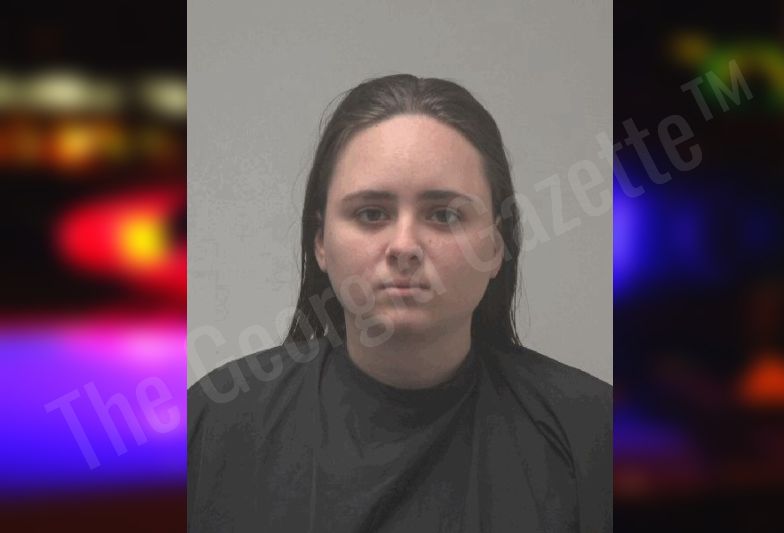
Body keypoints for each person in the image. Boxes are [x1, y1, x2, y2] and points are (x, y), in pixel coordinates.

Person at [188, 74, 611, 532]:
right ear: (321, 242)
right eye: (371, 213)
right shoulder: (214, 426)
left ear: (496, 246)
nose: (404, 245)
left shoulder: (594, 435)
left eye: (444, 214)